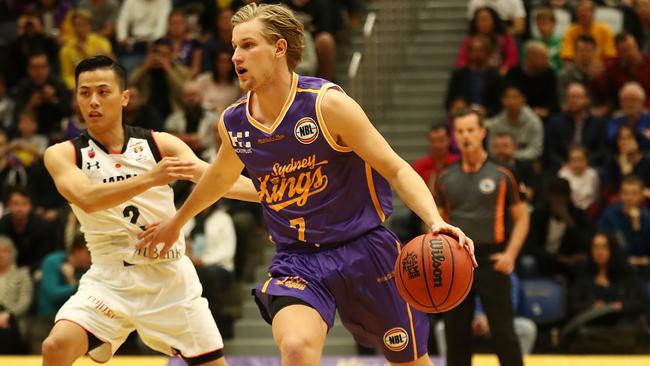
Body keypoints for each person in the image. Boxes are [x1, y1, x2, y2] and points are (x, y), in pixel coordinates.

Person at [138, 4, 476, 366]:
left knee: (410, 361)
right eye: (234, 46)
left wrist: (434, 219)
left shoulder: (327, 106)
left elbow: (395, 169)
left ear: (279, 48)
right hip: (299, 260)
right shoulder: (235, 122)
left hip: (365, 248)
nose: (236, 56)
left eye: (248, 45)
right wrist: (176, 223)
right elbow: (223, 179)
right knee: (297, 348)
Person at [40, 55, 259, 366]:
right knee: (56, 346)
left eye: (103, 91)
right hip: (109, 279)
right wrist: (150, 178)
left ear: (125, 97)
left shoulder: (159, 144)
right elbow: (87, 198)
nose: (93, 101)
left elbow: (218, 180)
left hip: (169, 279)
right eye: (84, 92)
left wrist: (274, 194)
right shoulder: (63, 154)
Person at [435, 108, 529, 366]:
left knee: (504, 334)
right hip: (457, 261)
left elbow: (522, 218)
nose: (466, 136)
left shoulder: (503, 173)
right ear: (455, 136)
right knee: (456, 336)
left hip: (492, 258)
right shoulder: (445, 178)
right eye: (460, 131)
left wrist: (510, 254)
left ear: (482, 132)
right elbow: (435, 222)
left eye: (470, 130)